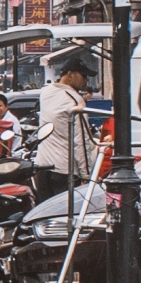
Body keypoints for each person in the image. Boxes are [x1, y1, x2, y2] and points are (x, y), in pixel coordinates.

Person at [33, 53, 101, 185]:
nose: (86, 80)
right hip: (64, 171)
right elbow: (80, 141)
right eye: (83, 75)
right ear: (70, 75)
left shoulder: (46, 93)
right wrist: (86, 175)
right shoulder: (75, 100)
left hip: (42, 166)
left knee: (45, 206)